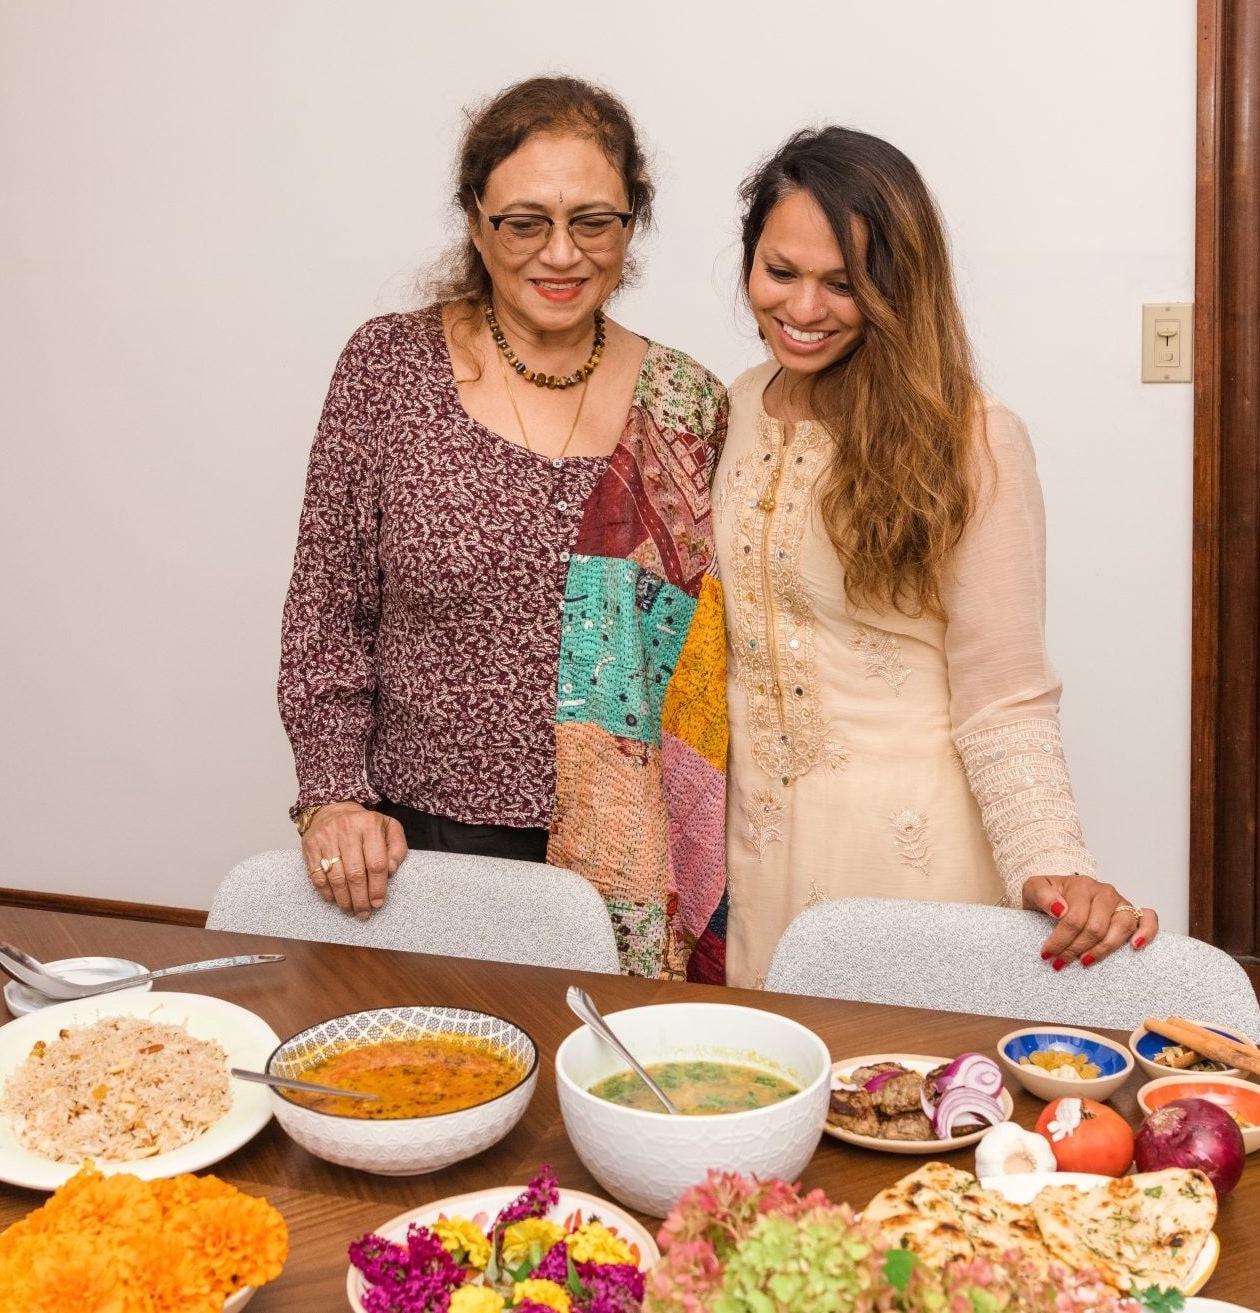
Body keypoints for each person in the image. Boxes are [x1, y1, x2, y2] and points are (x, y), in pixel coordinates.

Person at [278, 76, 729, 979]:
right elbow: (325, 614)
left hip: (624, 869)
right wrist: (331, 798)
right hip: (414, 852)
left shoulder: (686, 403)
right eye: (525, 221)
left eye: (593, 221)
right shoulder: (388, 369)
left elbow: (713, 671)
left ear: (631, 223)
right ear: (477, 223)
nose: (560, 253)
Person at [714, 126, 1158, 988]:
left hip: (909, 853)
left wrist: (1051, 858)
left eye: (843, 285)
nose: (804, 310)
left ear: (898, 286)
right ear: (749, 260)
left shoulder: (972, 438)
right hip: (753, 848)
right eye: (781, 272)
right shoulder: (730, 407)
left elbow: (1007, 689)